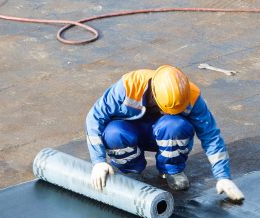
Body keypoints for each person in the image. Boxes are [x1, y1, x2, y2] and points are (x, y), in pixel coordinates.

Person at [85, 65, 245, 201]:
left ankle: (171, 170)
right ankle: (132, 171)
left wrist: (223, 177)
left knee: (176, 126)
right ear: (154, 93)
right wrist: (98, 161)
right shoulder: (129, 86)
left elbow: (210, 136)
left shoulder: (190, 95)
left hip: (165, 133)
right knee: (114, 133)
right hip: (131, 131)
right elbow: (94, 118)